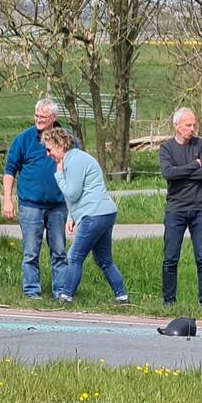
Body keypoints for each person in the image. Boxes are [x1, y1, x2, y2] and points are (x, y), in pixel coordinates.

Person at [41, 127, 129, 304]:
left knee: (74, 256)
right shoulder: (75, 159)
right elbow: (76, 195)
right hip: (105, 212)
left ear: (60, 145)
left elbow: (72, 193)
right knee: (104, 260)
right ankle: (122, 296)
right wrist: (71, 217)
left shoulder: (73, 161)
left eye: (49, 149)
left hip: (94, 214)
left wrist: (58, 176)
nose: (47, 153)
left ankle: (65, 297)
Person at [3, 98, 74, 300]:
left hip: (58, 205)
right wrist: (7, 199)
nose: (39, 120)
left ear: (54, 118)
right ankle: (31, 291)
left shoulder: (67, 139)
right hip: (30, 205)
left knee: (59, 251)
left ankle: (60, 291)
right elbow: (10, 170)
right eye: (36, 116)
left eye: (43, 117)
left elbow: (76, 167)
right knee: (30, 252)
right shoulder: (24, 139)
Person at [159, 107, 202, 308]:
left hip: (200, 208)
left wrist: (182, 171)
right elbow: (169, 174)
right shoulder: (166, 148)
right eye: (188, 125)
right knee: (170, 258)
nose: (192, 128)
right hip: (176, 209)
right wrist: (194, 165)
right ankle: (168, 302)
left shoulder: (200, 144)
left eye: (194, 124)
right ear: (177, 125)